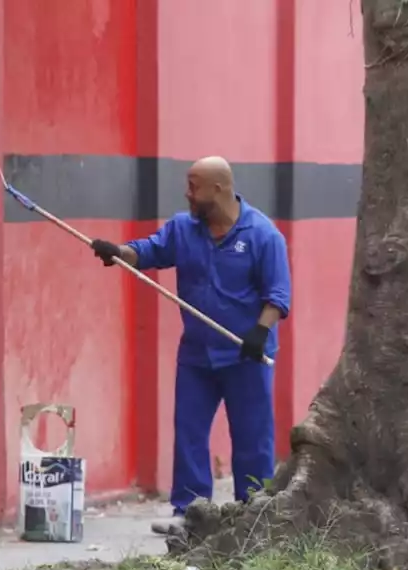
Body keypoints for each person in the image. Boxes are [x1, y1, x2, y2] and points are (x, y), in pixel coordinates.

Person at [88, 156, 292, 534]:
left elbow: (278, 296)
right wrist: (118, 252)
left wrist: (259, 333)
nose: (187, 193)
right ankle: (190, 512)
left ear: (219, 188)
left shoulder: (263, 235)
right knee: (190, 431)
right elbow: (148, 251)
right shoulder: (184, 229)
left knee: (252, 437)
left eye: (194, 186)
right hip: (197, 354)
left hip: (246, 354)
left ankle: (254, 513)